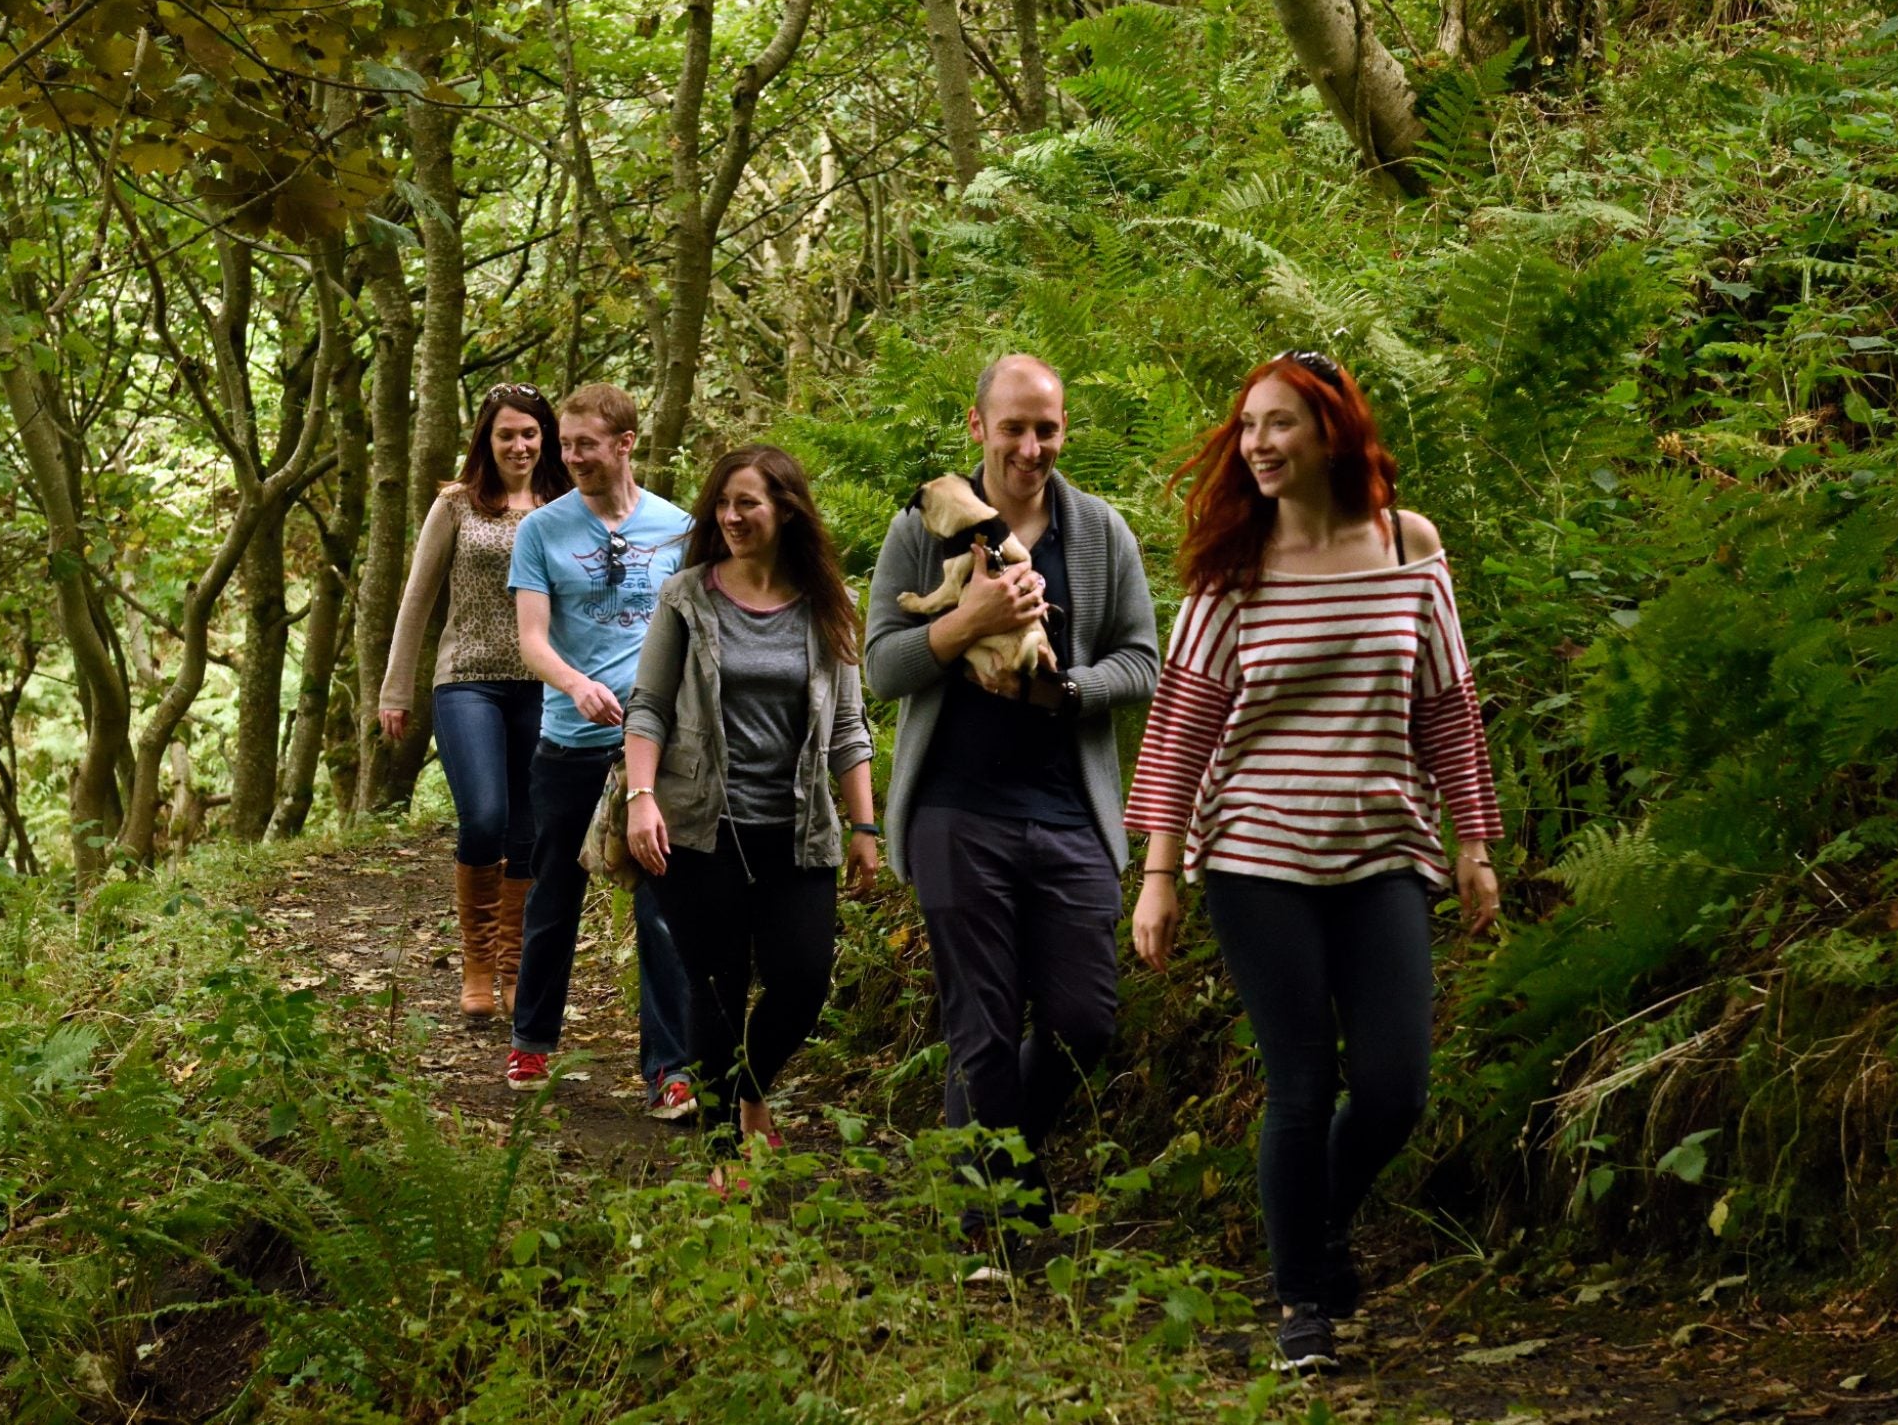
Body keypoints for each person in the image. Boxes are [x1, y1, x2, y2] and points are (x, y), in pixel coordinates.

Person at [1124, 349, 1505, 1376]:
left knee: (1395, 1088)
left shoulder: (1405, 546)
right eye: (1248, 428)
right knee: (1299, 1082)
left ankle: (1316, 1225)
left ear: (1331, 430)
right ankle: (1303, 1298)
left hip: (1383, 848)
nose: (1257, 444)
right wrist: (1159, 875)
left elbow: (1447, 707)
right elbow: (1183, 726)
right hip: (1257, 854)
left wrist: (1473, 844)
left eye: (1278, 424)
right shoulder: (1231, 571)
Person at [863, 354, 1161, 1239]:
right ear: (977, 425)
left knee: (1084, 1023)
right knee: (981, 1025)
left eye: (1048, 428)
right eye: (1014, 427)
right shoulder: (921, 529)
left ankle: (995, 1169)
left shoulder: (1099, 533)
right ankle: (988, 1227)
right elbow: (881, 665)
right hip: (956, 806)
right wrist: (970, 622)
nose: (1032, 447)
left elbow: (1143, 661)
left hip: (1070, 810)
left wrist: (1068, 690)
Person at [622, 447, 881, 1178]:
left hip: (798, 830)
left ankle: (749, 1089)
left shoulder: (830, 603)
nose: (731, 517)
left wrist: (864, 827)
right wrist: (642, 799)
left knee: (803, 982)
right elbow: (648, 708)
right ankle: (721, 1150)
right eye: (723, 505)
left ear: (786, 511)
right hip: (699, 825)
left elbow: (849, 729)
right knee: (716, 985)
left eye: (749, 504)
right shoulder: (687, 596)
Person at [503, 383, 699, 1117]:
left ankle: (671, 1070)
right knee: (555, 892)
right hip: (570, 739)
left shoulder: (679, 527)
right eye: (567, 445)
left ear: (625, 442)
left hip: (653, 747)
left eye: (587, 443)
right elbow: (530, 638)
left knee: (662, 906)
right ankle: (532, 1039)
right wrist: (575, 682)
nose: (573, 457)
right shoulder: (542, 530)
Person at [379, 383, 571, 1017]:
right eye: (506, 434)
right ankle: (477, 962)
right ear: (486, 441)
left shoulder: (568, 507)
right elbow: (417, 599)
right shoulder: (458, 505)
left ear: (545, 439)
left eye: (529, 434)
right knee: (484, 817)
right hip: (466, 680)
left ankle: (513, 968)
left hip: (544, 685)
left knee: (529, 831)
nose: (519, 445)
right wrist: (395, 689)